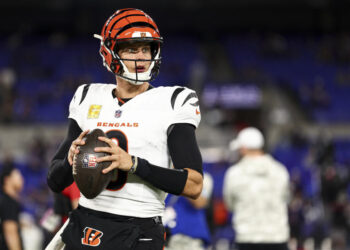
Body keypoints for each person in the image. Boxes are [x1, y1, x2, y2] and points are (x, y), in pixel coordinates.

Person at [46, 8, 203, 250]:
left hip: (139, 228)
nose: (141, 57)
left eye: (146, 49)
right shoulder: (87, 96)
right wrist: (69, 162)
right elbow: (55, 181)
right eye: (131, 49)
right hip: (86, 222)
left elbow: (194, 185)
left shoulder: (174, 101)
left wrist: (133, 164)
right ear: (110, 52)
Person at [223, 127, 290, 250]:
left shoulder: (234, 173)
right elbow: (286, 199)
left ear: (243, 149)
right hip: (277, 237)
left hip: (247, 238)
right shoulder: (280, 171)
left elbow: (230, 205)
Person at [164, 172, 213, 250]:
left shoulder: (203, 177)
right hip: (168, 238)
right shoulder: (165, 174)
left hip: (191, 240)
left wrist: (182, 179)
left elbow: (200, 202)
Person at [0, 164, 24, 250]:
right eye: (18, 176)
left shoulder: (6, 201)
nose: (21, 179)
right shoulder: (8, 202)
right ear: (7, 180)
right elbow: (10, 232)